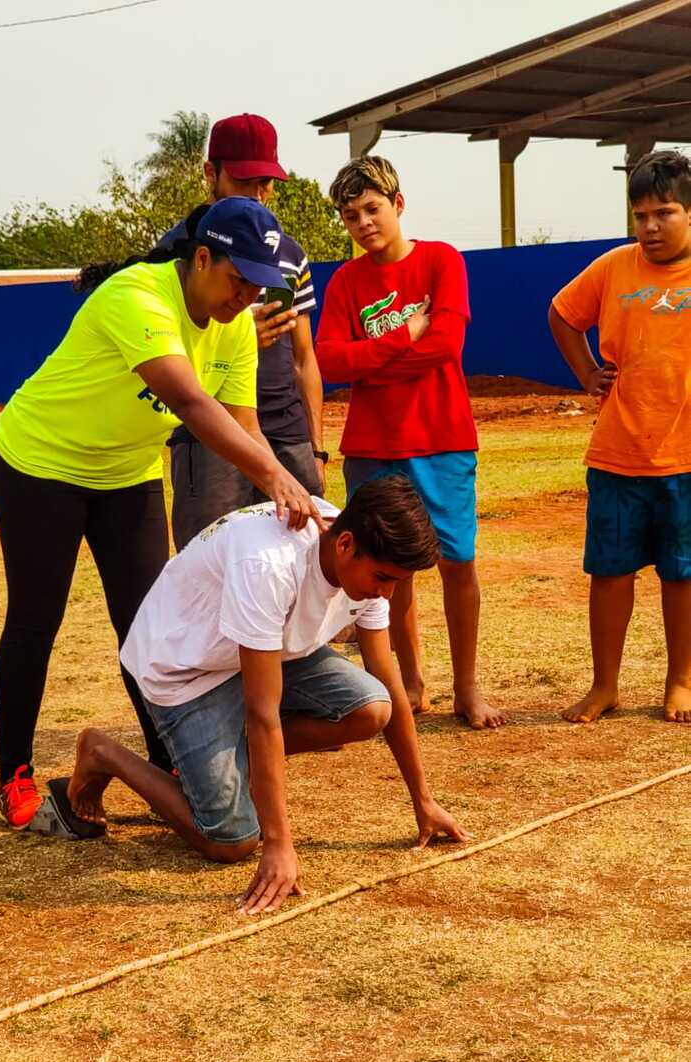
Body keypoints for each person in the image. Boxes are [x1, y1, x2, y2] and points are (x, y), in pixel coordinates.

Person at [0, 197, 321, 830]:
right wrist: (277, 475)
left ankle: (167, 759)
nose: (247, 292)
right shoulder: (137, 296)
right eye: (237, 276)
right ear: (201, 258)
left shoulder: (236, 327)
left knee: (151, 625)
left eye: (258, 281)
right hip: (41, 464)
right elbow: (193, 404)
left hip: (127, 475)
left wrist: (282, 494)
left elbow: (245, 424)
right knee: (37, 619)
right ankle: (15, 775)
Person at [51, 477, 468, 916]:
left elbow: (390, 683)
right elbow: (262, 712)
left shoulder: (369, 565)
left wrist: (423, 799)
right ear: (345, 544)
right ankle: (103, 752)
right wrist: (278, 844)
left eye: (398, 582)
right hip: (187, 666)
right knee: (229, 839)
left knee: (371, 707)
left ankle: (233, 762)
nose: (387, 593)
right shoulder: (269, 564)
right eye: (383, 578)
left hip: (273, 649)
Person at [315, 155, 505, 730]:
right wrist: (405, 333)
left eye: (373, 209)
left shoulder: (440, 260)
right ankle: (409, 681)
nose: (364, 223)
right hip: (372, 446)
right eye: (351, 216)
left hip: (441, 439)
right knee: (387, 570)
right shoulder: (347, 281)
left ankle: (467, 685)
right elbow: (329, 361)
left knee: (458, 562)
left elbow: (445, 346)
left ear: (398, 205)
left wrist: (370, 363)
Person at [549, 149, 691, 726]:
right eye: (640, 215)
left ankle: (680, 681)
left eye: (665, 213)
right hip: (617, 454)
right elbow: (561, 314)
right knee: (609, 573)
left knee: (683, 573)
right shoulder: (613, 268)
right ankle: (604, 685)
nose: (650, 227)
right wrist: (586, 374)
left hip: (685, 458)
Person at [152, 113, 327, 549]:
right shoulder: (177, 251)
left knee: (307, 559)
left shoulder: (288, 253)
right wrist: (237, 328)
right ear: (211, 173)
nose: (260, 194)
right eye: (246, 181)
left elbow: (305, 357)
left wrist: (316, 448)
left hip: (285, 427)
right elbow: (160, 348)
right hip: (208, 430)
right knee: (210, 558)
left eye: (267, 181)